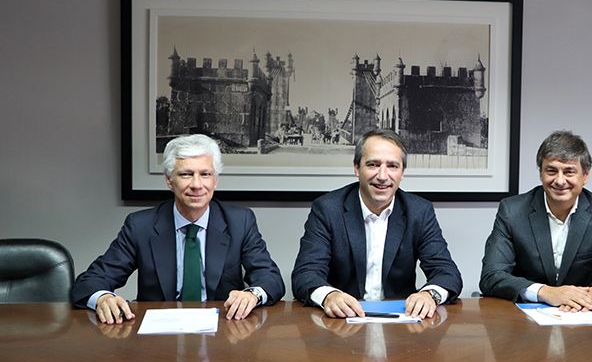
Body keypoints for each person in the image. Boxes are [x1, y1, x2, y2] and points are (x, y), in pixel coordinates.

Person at [72, 134, 285, 324]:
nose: (197, 184)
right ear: (169, 179)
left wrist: (252, 295)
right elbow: (90, 281)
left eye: (205, 174)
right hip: (158, 334)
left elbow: (270, 277)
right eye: (186, 174)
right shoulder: (141, 226)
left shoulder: (240, 221)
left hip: (224, 329)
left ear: (216, 180)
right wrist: (103, 298)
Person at [291, 129, 462, 319]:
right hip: (342, 321)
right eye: (373, 164)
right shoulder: (328, 209)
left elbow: (447, 273)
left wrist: (429, 295)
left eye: (392, 166)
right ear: (357, 168)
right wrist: (329, 296)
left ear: (402, 172)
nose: (382, 175)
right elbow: (305, 273)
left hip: (401, 322)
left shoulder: (419, 212)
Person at [480, 130, 592, 312]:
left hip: (581, 315)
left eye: (569, 172)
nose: (560, 181)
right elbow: (491, 276)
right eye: (551, 171)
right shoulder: (513, 211)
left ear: (586, 175)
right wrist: (545, 292)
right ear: (541, 174)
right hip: (524, 316)